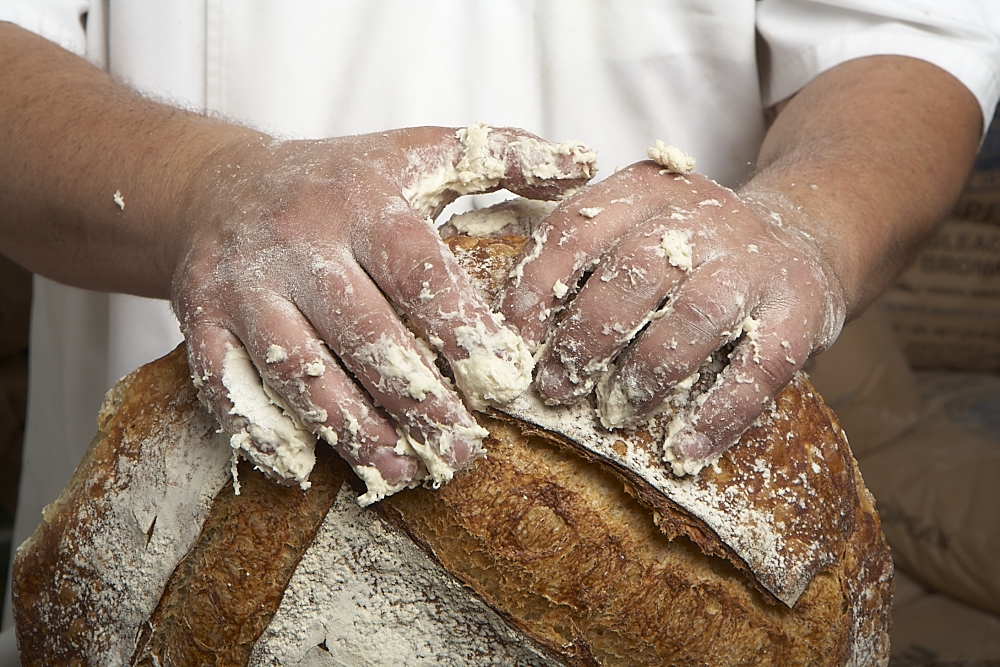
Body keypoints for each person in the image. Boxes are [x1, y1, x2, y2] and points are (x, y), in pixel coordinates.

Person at [1, 0, 998, 652]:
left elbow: (898, 37)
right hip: (168, 535)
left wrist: (811, 217)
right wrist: (203, 192)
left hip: (681, 501)